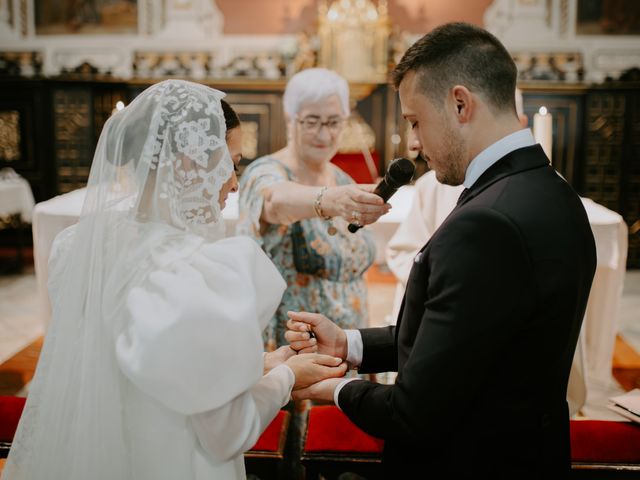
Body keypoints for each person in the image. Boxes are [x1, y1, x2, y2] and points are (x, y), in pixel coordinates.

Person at [285, 23, 597, 476]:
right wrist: (350, 344)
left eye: (415, 120)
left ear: (459, 103)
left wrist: (334, 388)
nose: (412, 142)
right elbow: (459, 341)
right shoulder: (551, 191)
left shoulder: (486, 223)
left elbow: (413, 414)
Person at [3, 79, 346, 480]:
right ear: (189, 163)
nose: (234, 184)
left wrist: (262, 364)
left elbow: (156, 372)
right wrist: (288, 377)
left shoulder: (82, 245)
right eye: (231, 164)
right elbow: (227, 431)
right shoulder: (200, 272)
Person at [237, 67, 390, 350]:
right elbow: (274, 201)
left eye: (334, 122)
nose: (324, 133)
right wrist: (329, 201)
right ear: (290, 119)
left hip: (350, 342)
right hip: (294, 349)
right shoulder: (266, 172)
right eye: (312, 121)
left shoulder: (342, 179)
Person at [385, 88, 528, 321]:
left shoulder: (533, 187)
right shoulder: (432, 185)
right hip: (437, 311)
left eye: (418, 123)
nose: (413, 144)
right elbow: (404, 250)